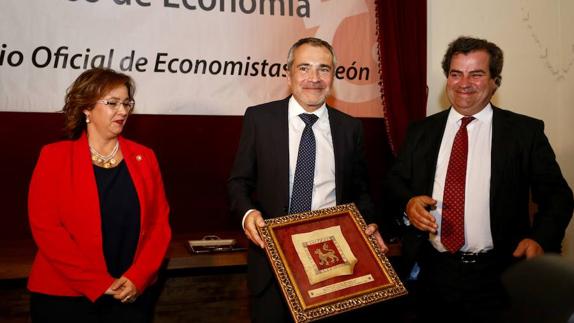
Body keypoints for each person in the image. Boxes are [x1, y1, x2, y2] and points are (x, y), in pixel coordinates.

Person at [383, 36, 574, 322]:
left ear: (496, 80)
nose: (464, 83)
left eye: (476, 74)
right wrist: (408, 202)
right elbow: (394, 182)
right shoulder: (421, 131)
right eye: (456, 74)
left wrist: (539, 239)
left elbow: (558, 196)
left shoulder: (524, 132)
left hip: (499, 275)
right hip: (433, 274)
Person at [228, 37, 387, 322]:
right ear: (288, 74)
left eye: (323, 69)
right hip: (273, 266)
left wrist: (369, 221)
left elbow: (361, 192)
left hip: (333, 267)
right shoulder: (259, 119)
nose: (314, 78)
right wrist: (248, 213)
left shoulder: (350, 128)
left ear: (334, 76)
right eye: (304, 68)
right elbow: (238, 182)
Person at [27, 68, 172, 322]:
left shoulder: (145, 157)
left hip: (130, 296)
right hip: (65, 298)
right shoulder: (54, 157)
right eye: (112, 103)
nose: (124, 111)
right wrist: (98, 283)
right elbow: (47, 230)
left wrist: (138, 278)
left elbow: (160, 226)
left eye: (127, 103)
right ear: (86, 108)